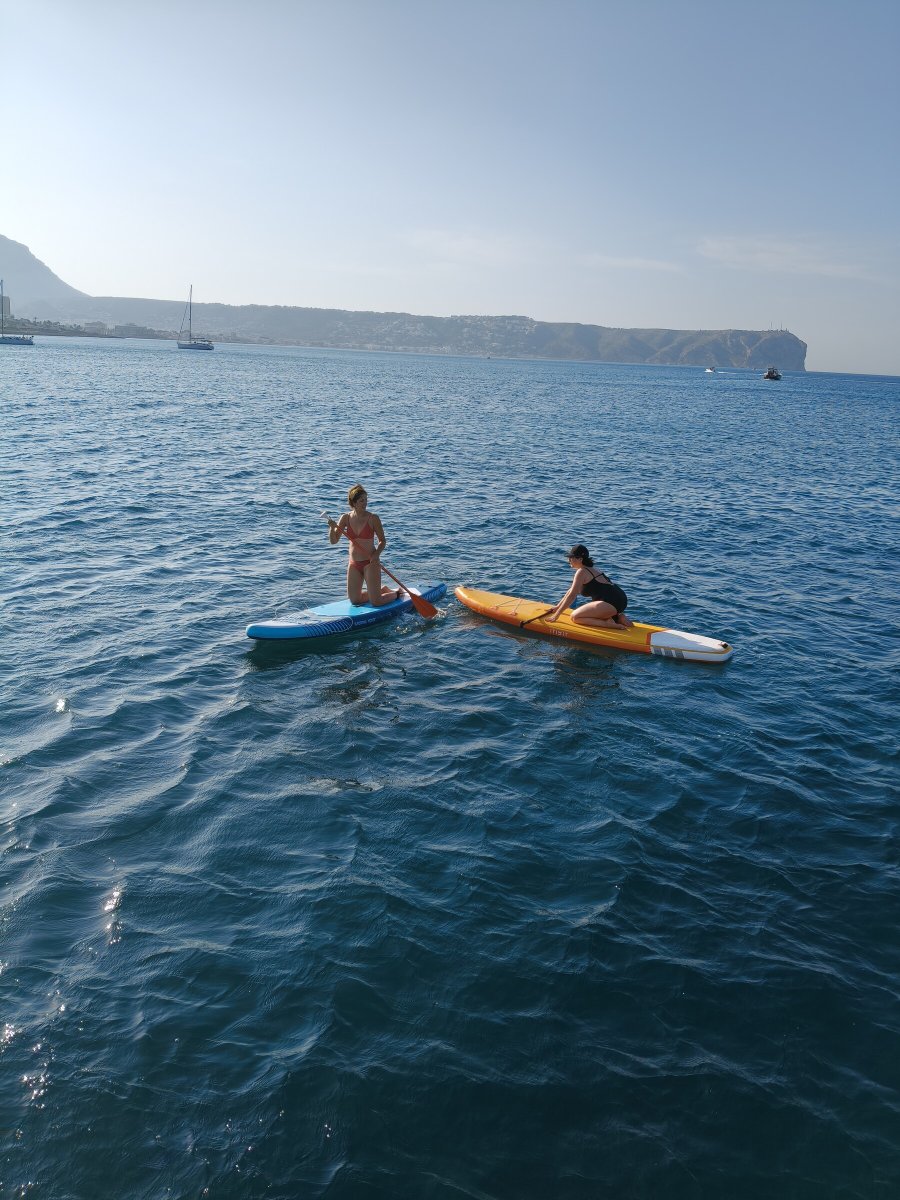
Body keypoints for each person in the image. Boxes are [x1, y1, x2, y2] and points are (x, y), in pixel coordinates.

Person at [326, 484, 399, 607]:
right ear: (354, 503)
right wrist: (332, 528)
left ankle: (397, 594)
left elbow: (382, 541)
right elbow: (334, 541)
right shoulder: (345, 518)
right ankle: (382, 590)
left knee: (376, 602)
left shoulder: (373, 518)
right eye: (361, 500)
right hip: (354, 564)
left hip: (370, 563)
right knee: (355, 600)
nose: (365, 503)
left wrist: (376, 555)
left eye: (366, 500)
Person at [544, 544, 634, 629]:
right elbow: (571, 591)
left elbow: (572, 596)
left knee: (575, 617)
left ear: (580, 559)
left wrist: (556, 615)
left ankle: (608, 623)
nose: (569, 560)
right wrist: (558, 607)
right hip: (620, 599)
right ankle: (618, 617)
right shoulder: (592, 568)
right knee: (587, 611)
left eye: (571, 557)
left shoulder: (581, 572)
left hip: (611, 603)